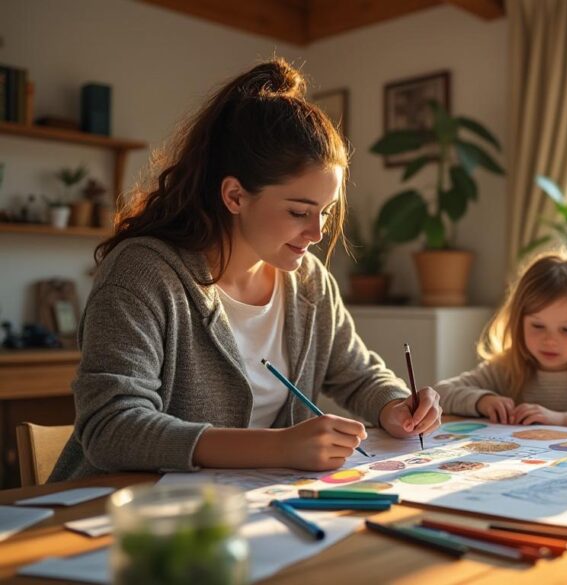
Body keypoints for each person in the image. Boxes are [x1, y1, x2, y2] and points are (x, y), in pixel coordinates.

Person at [49, 59, 442, 482]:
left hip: (239, 513)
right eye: (298, 211)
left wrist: (396, 405)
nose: (316, 232)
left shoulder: (309, 283)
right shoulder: (143, 274)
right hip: (116, 516)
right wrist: (279, 447)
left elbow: (357, 374)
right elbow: (111, 428)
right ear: (235, 196)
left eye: (326, 213)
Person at [434, 250, 567, 428]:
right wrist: (482, 401)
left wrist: (563, 419)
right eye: (537, 326)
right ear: (518, 321)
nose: (549, 340)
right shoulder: (506, 367)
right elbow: (439, 393)